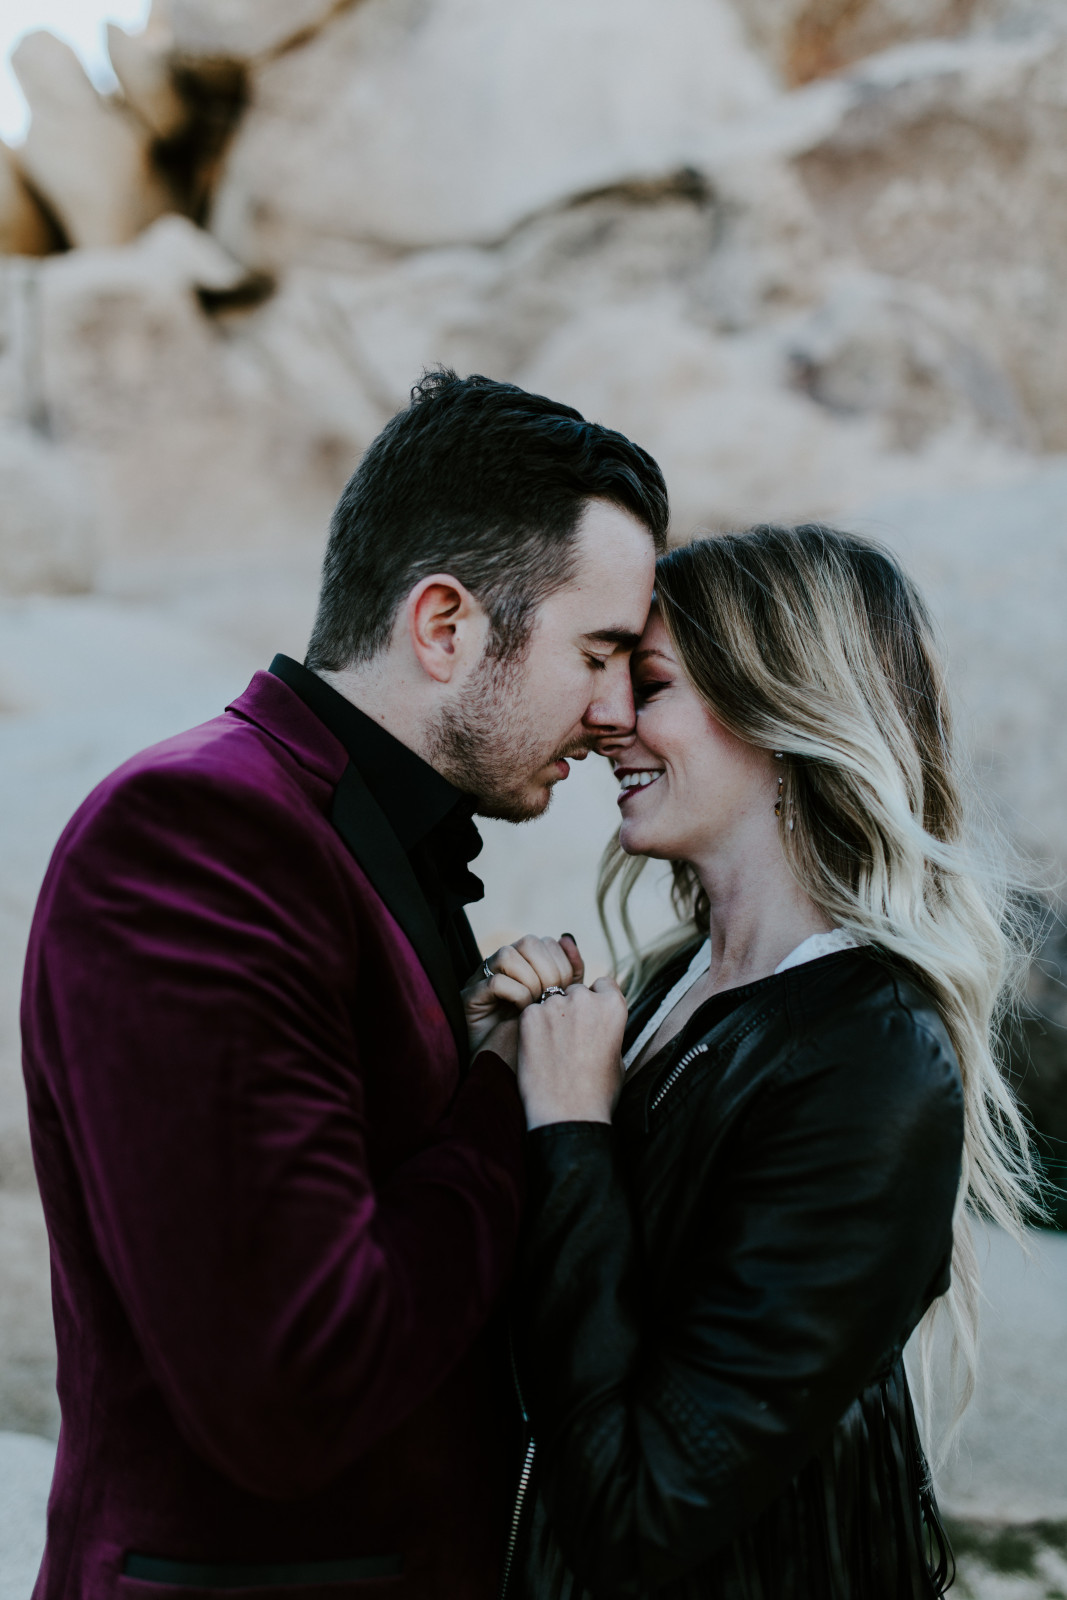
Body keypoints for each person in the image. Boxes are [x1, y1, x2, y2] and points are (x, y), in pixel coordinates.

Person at [20, 370, 668, 1599]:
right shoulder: (197, 835)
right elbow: (292, 1382)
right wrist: (507, 1092)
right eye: (596, 653)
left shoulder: (340, 836)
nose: (613, 710)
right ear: (443, 626)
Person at [472, 525, 1036, 1599]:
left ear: (779, 713)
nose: (606, 725)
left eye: (650, 684)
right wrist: (497, 1070)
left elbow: (641, 1513)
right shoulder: (663, 983)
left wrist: (572, 1130)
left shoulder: (869, 1057)